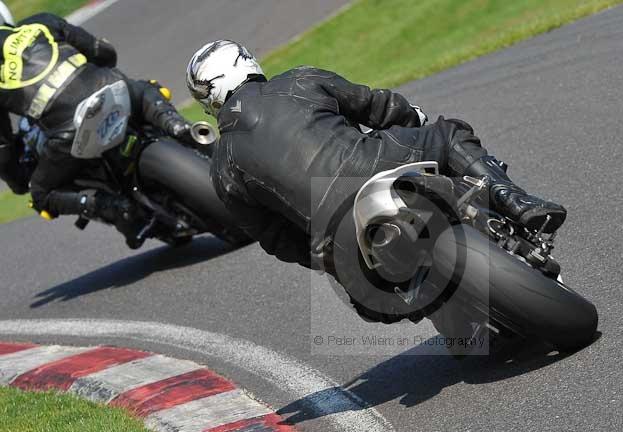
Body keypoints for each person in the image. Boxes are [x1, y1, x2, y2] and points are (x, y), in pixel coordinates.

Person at [186, 40, 567, 319]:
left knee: (380, 301)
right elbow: (377, 106)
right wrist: (413, 120)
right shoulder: (298, 80)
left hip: (340, 243)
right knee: (448, 133)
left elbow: (276, 240)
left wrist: (327, 260)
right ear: (246, 62)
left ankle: (440, 304)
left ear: (209, 100)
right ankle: (516, 201)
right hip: (377, 166)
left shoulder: (222, 167)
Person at [0, 4, 192, 241]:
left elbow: (4, 153)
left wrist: (18, 180)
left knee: (40, 195)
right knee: (143, 89)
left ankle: (112, 207)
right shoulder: (41, 22)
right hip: (111, 88)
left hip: (67, 133)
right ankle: (177, 125)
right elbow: (103, 53)